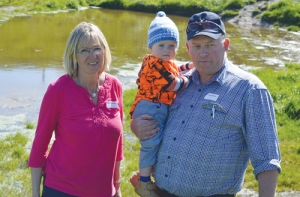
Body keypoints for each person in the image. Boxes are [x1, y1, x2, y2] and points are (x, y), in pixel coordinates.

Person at [130, 11, 281, 197]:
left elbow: (267, 161)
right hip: (160, 192)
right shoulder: (179, 83)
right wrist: (137, 125)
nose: (203, 53)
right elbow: (154, 112)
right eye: (196, 46)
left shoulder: (250, 89)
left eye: (210, 45)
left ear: (225, 45)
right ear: (187, 47)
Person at [28, 22, 123, 197]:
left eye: (97, 48)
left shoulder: (115, 86)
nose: (92, 55)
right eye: (84, 50)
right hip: (61, 190)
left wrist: (116, 187)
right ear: (74, 55)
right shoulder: (58, 90)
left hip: (102, 191)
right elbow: (40, 145)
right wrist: (35, 193)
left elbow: (117, 145)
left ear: (105, 50)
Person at [130, 11, 193, 197]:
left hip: (158, 106)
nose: (167, 49)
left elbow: (176, 69)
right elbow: (173, 83)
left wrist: (190, 66)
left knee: (160, 141)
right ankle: (143, 182)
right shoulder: (154, 64)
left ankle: (153, 176)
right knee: (151, 141)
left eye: (172, 45)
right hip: (150, 106)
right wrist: (190, 78)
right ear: (151, 46)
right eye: (162, 45)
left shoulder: (166, 62)